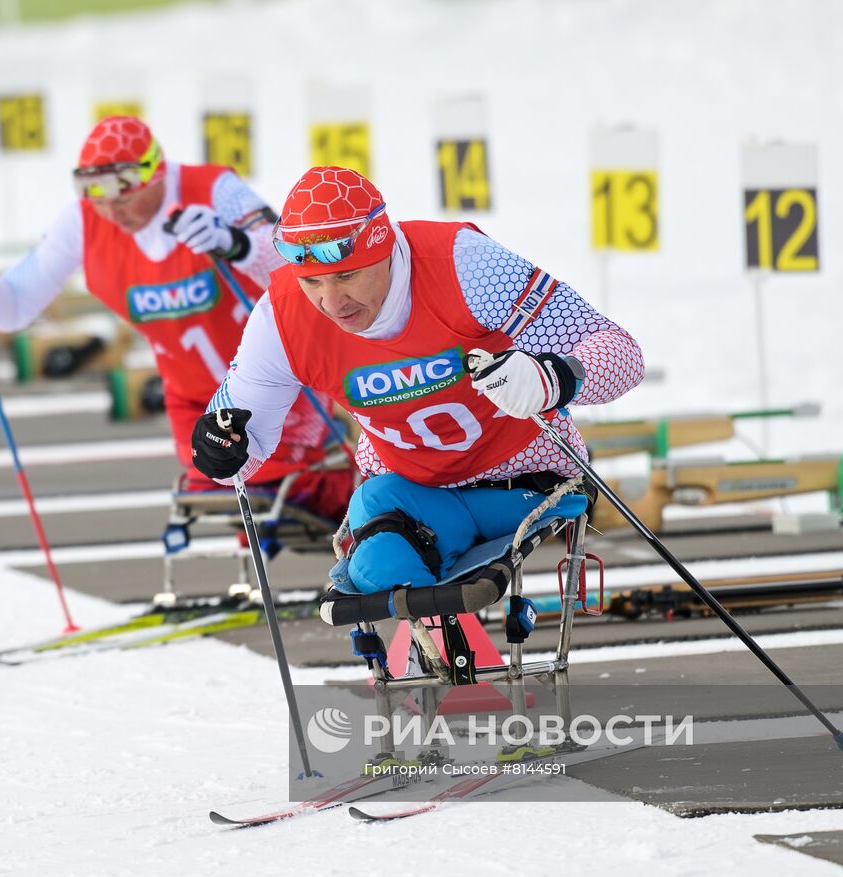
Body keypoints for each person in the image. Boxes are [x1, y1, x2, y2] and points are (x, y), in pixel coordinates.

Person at [191, 166, 644, 593]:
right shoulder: (280, 316)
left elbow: (621, 352)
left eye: (347, 275)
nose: (331, 301)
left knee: (424, 578)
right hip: (412, 495)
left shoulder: (464, 265)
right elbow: (242, 439)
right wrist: (220, 445)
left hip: (526, 481)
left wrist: (551, 379)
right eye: (313, 282)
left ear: (385, 247)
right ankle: (446, 655)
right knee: (379, 575)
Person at [0, 116, 351, 517]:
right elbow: (15, 306)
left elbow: (295, 263)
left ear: (157, 172)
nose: (112, 213)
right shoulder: (82, 221)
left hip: (274, 384)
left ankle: (370, 526)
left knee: (289, 490)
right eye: (99, 199)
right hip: (191, 398)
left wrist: (236, 242)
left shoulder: (213, 188)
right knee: (219, 493)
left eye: (124, 196)